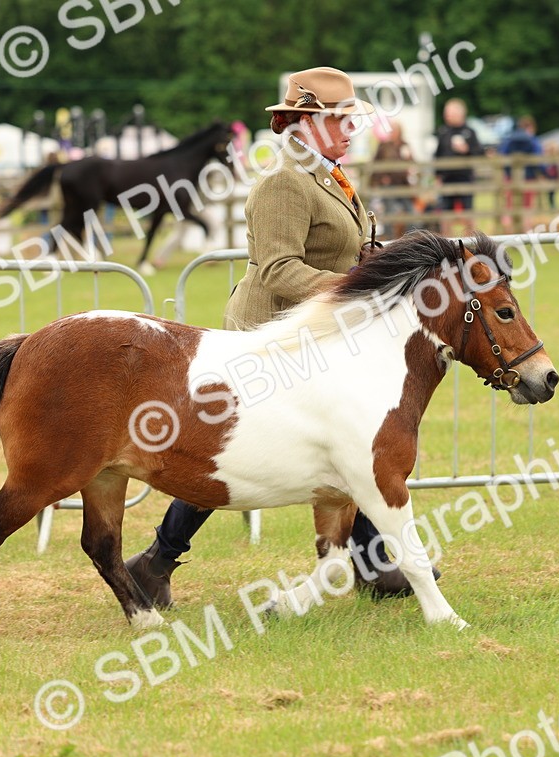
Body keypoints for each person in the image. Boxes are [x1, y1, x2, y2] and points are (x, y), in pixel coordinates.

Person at [124, 66, 435, 607]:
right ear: (307, 125)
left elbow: (347, 252)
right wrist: (353, 289)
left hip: (321, 336)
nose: (349, 130)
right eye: (339, 121)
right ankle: (156, 561)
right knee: (227, 457)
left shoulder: (330, 177)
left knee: (351, 444)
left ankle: (371, 562)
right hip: (268, 336)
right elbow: (277, 269)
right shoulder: (283, 184)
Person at [433, 98, 484, 233]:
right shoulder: (443, 132)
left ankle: (470, 242)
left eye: (450, 113)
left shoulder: (469, 132)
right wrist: (437, 176)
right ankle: (446, 244)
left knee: (468, 213)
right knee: (445, 214)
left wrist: (467, 150)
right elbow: (437, 155)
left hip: (465, 178)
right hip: (447, 179)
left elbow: (479, 152)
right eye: (446, 113)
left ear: (460, 113)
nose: (447, 116)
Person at [369, 119, 417, 238]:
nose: (392, 132)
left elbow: (414, 164)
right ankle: (389, 238)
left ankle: (411, 237)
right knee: (389, 213)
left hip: (404, 185)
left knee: (411, 213)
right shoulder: (384, 146)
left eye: (395, 130)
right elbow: (375, 164)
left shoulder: (405, 146)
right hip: (389, 186)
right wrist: (381, 179)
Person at [500, 115, 547, 224]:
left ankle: (507, 232)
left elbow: (501, 156)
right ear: (530, 127)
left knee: (509, 207)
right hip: (528, 178)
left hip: (510, 178)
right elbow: (538, 159)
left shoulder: (509, 139)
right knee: (527, 208)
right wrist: (545, 173)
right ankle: (525, 234)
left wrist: (507, 172)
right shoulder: (532, 140)